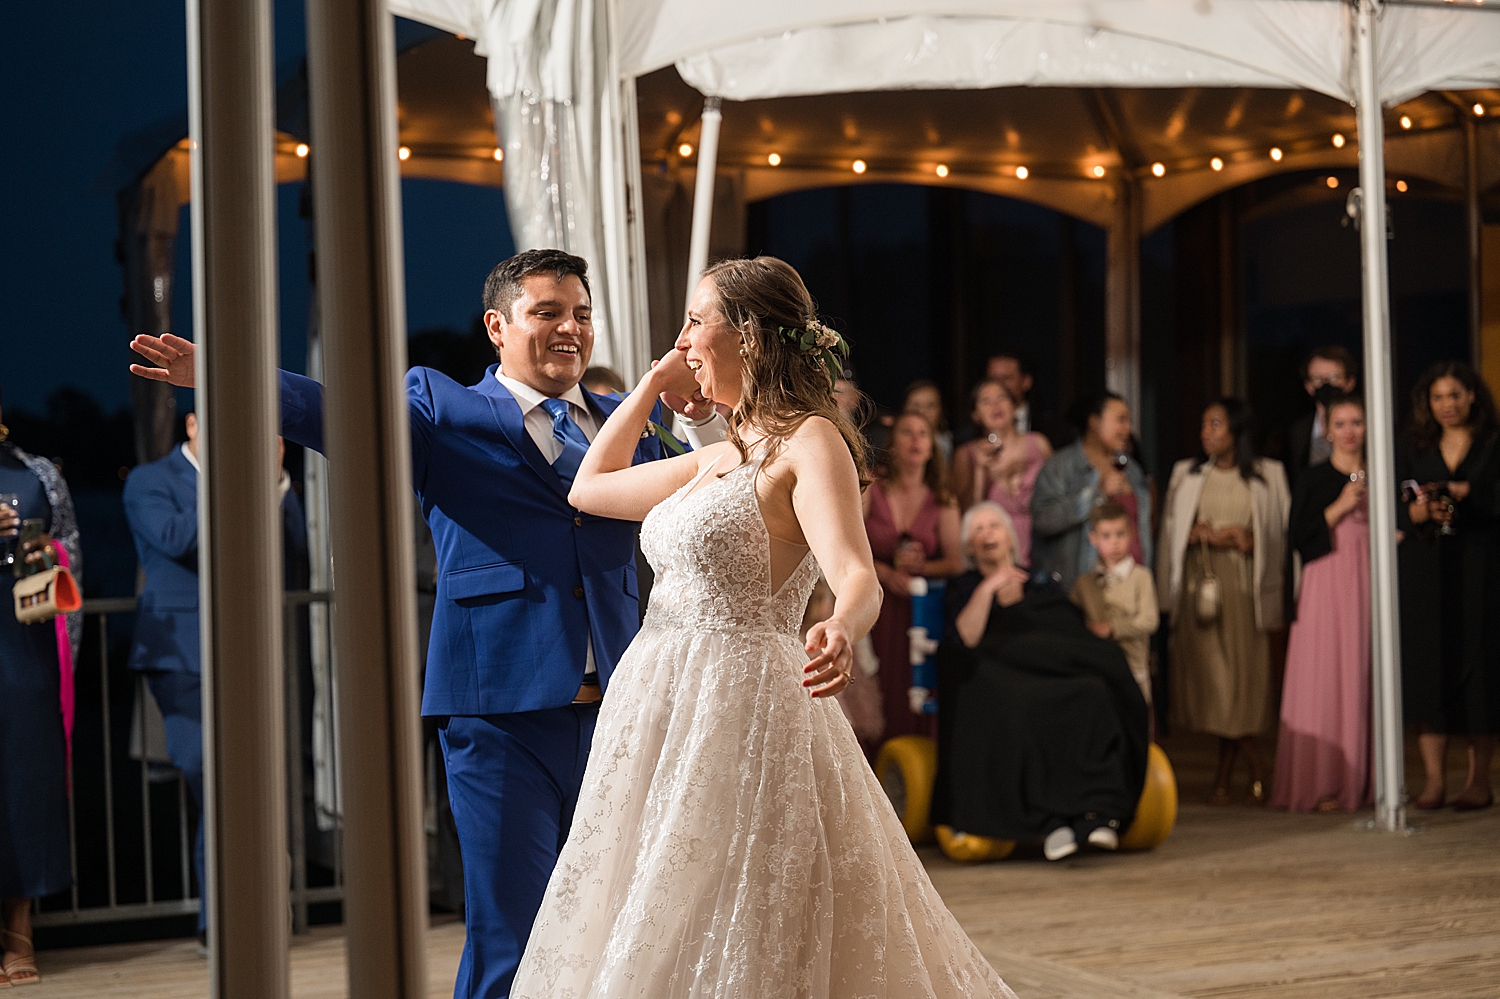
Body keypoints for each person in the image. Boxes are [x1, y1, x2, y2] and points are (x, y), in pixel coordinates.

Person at [129, 248, 729, 999]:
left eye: (580, 313)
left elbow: (709, 499)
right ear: (497, 326)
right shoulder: (443, 407)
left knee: (615, 928)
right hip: (498, 712)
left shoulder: (624, 420)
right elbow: (330, 411)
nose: (570, 328)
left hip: (621, 712)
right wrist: (222, 375)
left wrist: (696, 415)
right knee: (511, 931)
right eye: (546, 312)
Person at [509, 255, 1012, 997]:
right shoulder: (716, 457)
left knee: (738, 907)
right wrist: (651, 385)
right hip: (659, 709)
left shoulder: (809, 442)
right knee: (652, 900)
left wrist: (842, 625)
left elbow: (857, 574)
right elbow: (590, 487)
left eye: (694, 322)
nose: (682, 341)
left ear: (745, 334)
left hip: (743, 709)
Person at [122, 413, 306, 949]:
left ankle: (245, 918)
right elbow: (177, 540)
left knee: (252, 786)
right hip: (181, 657)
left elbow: (292, 546)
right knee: (215, 779)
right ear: (193, 424)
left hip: (251, 654)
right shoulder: (149, 481)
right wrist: (232, 476)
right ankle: (225, 921)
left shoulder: (255, 478)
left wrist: (272, 480)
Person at [933, 502, 1148, 862]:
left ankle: (1095, 813)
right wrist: (989, 590)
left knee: (1092, 690)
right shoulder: (964, 586)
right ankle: (1049, 820)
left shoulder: (1041, 581)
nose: (988, 534)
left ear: (1010, 538)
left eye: (995, 526)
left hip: (1051, 667)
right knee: (1021, 701)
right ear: (970, 547)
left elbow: (1063, 632)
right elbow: (965, 641)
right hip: (999, 669)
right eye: (979, 530)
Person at [1159, 398, 1289, 805]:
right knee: (1215, 685)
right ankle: (1254, 763)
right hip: (1203, 590)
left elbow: (1282, 536)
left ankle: (1228, 772)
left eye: (1215, 424)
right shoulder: (1187, 474)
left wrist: (1248, 540)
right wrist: (1193, 533)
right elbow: (1167, 535)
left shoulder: (1270, 475)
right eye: (1203, 425)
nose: (1206, 433)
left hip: (1244, 591)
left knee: (1239, 686)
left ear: (1237, 430)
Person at [0, 393, 79, 987]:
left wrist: (38, 552)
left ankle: (19, 935)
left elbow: (70, 556)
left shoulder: (38, 474)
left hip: (24, 654)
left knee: (26, 786)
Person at [1396, 361, 1500, 811]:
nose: (1447, 406)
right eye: (1438, 397)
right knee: (1428, 666)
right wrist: (1420, 514)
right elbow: (1394, 503)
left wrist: (1467, 494)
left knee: (1482, 669)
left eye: (1455, 395)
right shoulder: (1413, 445)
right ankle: (1435, 781)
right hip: (1427, 567)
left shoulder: (1494, 443)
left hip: (1482, 565)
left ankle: (1479, 781)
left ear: (1472, 396)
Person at [1272, 393, 1371, 812]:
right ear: (1327, 431)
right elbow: (1296, 537)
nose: (1349, 432)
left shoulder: (1380, 473)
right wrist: (1340, 507)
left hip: (1366, 580)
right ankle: (1322, 780)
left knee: (1361, 674)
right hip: (1325, 580)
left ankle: (1361, 782)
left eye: (1357, 423)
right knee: (1323, 674)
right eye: (1341, 424)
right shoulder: (1314, 478)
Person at [863, 411, 963, 746]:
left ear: (933, 447)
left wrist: (922, 568)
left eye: (924, 434)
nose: (917, 440)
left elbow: (955, 562)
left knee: (915, 690)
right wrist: (887, 573)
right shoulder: (870, 488)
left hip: (921, 610)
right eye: (908, 433)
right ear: (893, 444)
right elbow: (850, 547)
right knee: (878, 689)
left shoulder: (943, 499)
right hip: (875, 604)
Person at [1031, 390, 1153, 593]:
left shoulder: (1131, 469)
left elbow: (1142, 528)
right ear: (1094, 422)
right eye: (1120, 420)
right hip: (1080, 590)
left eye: (1128, 421)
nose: (1127, 429)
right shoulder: (1061, 467)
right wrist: (1097, 495)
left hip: (1129, 589)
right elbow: (1043, 519)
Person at [951, 379, 1052, 565]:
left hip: (1043, 547)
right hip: (993, 555)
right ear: (975, 415)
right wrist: (981, 471)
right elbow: (967, 515)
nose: (995, 405)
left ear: (1015, 407)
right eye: (985, 401)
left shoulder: (1038, 443)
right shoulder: (966, 454)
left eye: (1001, 398)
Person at [1071, 502, 1159, 705]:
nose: (1114, 543)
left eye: (1120, 534)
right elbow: (1072, 619)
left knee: (1135, 723)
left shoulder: (1140, 577)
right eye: (1106, 536)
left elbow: (1149, 620)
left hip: (1133, 667)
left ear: (1131, 534)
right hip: (1096, 670)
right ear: (1092, 538)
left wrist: (1112, 628)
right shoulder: (1085, 583)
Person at [1284, 347, 1358, 488]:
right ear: (1308, 386)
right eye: (1317, 379)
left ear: (1350, 383)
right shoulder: (1298, 431)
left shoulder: (1367, 426)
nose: (1326, 385)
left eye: (1334, 378)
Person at [986, 352, 1073, 449]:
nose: (998, 386)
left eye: (1006, 378)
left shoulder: (1053, 429)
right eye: (992, 379)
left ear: (1026, 381)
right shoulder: (972, 430)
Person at [901, 378, 954, 465]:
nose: (922, 412)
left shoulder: (951, 444)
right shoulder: (894, 440)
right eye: (916, 406)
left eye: (930, 406)